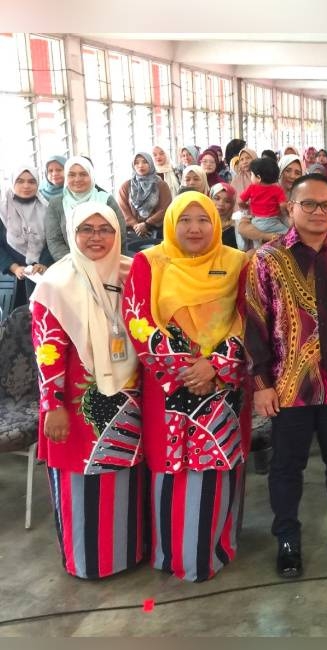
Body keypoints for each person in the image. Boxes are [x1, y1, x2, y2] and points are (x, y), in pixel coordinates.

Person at [245, 173, 327, 579]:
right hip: (288, 387)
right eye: (309, 204)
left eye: (326, 205)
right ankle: (287, 538)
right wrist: (261, 384)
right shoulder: (268, 259)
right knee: (287, 466)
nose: (318, 212)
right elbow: (254, 323)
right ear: (290, 209)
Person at [123, 191, 250, 582]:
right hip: (168, 387)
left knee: (215, 468)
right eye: (185, 220)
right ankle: (169, 552)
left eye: (203, 220)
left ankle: (213, 548)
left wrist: (214, 366)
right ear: (171, 223)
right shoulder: (150, 262)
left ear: (217, 223)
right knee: (170, 470)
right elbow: (137, 320)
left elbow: (250, 319)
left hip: (222, 385)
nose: (195, 228)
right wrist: (185, 370)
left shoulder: (238, 263)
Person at [31, 201, 143, 579]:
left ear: (117, 232)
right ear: (72, 234)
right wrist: (53, 406)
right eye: (87, 230)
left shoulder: (133, 271)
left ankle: (130, 552)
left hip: (130, 393)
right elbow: (47, 352)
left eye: (105, 229)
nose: (96, 238)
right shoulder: (55, 284)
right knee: (82, 477)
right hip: (76, 401)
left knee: (126, 474)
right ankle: (90, 561)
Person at [44, 156, 126, 261]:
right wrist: (76, 264)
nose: (77, 179)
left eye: (83, 174)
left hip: (106, 262)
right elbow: (54, 240)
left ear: (91, 176)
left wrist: (107, 262)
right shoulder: (57, 203)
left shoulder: (106, 200)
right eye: (71, 175)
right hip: (70, 265)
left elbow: (120, 235)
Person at [1, 166, 52, 308]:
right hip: (14, 280)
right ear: (12, 182)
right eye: (20, 181)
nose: (26, 186)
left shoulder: (47, 208)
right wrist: (14, 267)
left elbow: (53, 240)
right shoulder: (2, 210)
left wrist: (44, 265)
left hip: (44, 274)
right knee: (20, 323)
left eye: (31, 181)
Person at [118, 152, 172, 244]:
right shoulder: (126, 186)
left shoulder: (161, 185)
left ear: (150, 164)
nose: (140, 166)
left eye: (144, 162)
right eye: (137, 163)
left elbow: (165, 208)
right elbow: (123, 209)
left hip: (157, 230)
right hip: (132, 232)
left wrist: (147, 224)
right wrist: (136, 225)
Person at [239, 158, 289, 244]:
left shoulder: (251, 188)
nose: (251, 176)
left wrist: (246, 206)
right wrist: (284, 213)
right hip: (272, 222)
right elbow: (283, 205)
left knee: (257, 242)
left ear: (258, 177)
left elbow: (240, 202)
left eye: (251, 174)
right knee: (288, 233)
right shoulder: (277, 189)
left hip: (256, 222)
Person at [210, 182, 241, 249]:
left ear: (232, 204)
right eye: (217, 198)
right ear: (210, 199)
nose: (221, 204)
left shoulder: (236, 228)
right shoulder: (202, 223)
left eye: (227, 201)